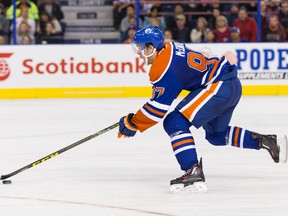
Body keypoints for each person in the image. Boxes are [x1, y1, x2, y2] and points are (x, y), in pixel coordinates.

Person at [117, 25, 287, 193]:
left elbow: (157, 110)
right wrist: (136, 120)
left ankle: (192, 170)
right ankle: (267, 142)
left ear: (151, 47)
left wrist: (133, 123)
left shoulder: (162, 67)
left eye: (139, 48)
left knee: (174, 122)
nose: (138, 53)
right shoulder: (170, 47)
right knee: (216, 135)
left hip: (218, 86)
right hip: (230, 84)